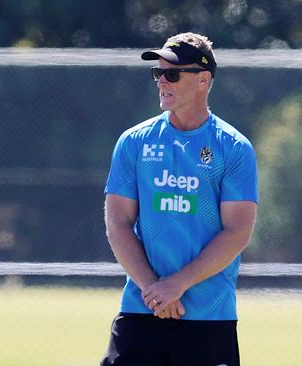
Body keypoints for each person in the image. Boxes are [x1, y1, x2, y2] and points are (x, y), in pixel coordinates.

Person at [101, 32, 258, 366]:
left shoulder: (233, 148)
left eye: (172, 74)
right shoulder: (134, 142)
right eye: (158, 73)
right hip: (142, 310)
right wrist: (155, 290)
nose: (162, 82)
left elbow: (237, 232)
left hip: (208, 317)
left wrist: (178, 285)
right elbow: (118, 223)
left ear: (203, 79)